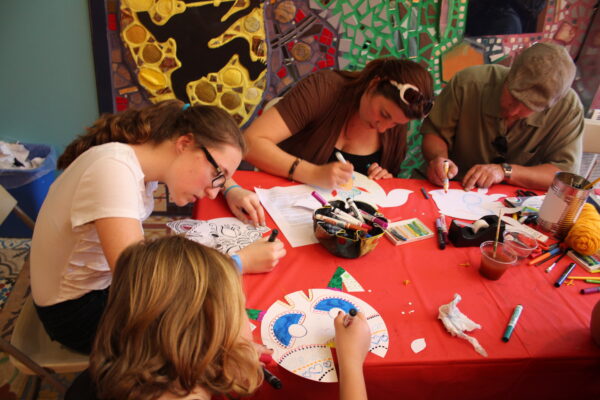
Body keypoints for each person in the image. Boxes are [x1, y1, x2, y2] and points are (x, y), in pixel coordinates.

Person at [30, 100, 286, 354]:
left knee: (208, 304)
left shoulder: (135, 161)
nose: (212, 192)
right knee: (206, 335)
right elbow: (142, 284)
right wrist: (236, 263)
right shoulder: (112, 172)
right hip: (76, 312)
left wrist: (231, 188)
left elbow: (214, 159)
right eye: (218, 176)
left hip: (99, 285)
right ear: (184, 144)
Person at [65, 236, 372, 400]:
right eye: (239, 308)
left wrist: (221, 352)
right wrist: (351, 363)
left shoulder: (96, 378)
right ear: (209, 332)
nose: (246, 322)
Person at [244, 57, 434, 188]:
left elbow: (384, 187)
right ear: (374, 84)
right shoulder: (323, 90)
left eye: (395, 124)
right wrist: (311, 173)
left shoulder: (396, 121)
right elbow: (250, 142)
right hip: (282, 206)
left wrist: (384, 182)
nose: (383, 127)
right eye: (383, 114)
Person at [421, 42, 584, 191]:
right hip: (454, 187)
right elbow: (434, 133)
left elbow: (564, 176)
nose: (513, 112)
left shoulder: (568, 109)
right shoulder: (468, 83)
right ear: (509, 75)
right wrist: (439, 159)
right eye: (513, 97)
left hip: (516, 200)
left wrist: (505, 172)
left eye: (529, 107)